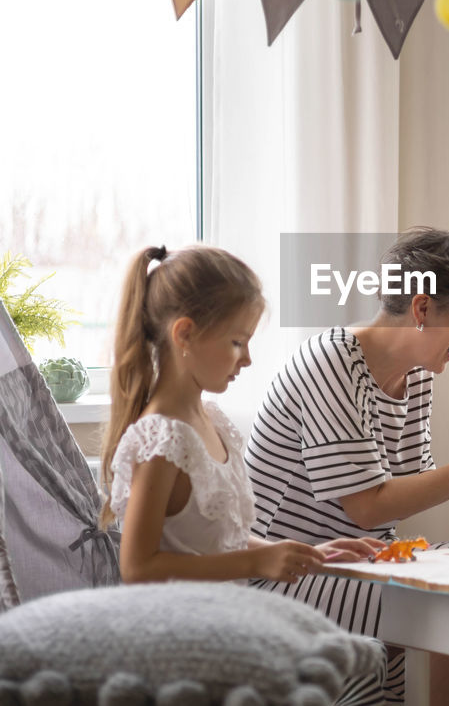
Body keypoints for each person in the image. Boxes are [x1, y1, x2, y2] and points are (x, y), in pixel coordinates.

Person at [245, 227, 449, 706]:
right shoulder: (331, 363)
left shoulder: (414, 378)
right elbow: (367, 509)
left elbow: (407, 490)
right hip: (280, 573)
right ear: (422, 309)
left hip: (355, 561)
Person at [98, 245, 382, 586]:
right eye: (236, 342)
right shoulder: (161, 439)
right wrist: (255, 562)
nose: (246, 359)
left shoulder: (211, 420)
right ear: (185, 334)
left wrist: (308, 554)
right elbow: (138, 568)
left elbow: (213, 543)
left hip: (227, 615)